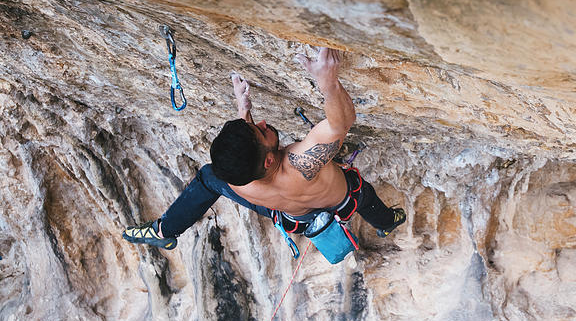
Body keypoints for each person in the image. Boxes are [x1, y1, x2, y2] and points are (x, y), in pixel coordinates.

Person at [122, 46, 405, 251]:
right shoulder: (301, 164)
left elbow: (243, 158)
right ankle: (387, 222)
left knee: (208, 177)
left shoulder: (236, 179)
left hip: (291, 215)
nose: (265, 123)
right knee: (364, 194)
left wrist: (242, 108)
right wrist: (328, 83)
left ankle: (165, 230)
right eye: (260, 130)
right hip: (339, 199)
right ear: (269, 161)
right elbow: (340, 123)